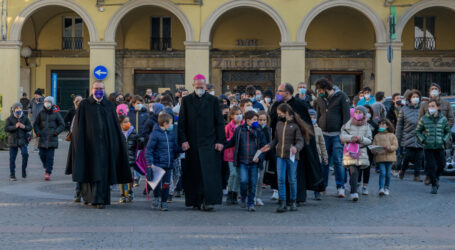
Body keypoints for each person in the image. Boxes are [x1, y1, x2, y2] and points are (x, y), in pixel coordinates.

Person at [65, 81, 132, 209]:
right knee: (88, 171)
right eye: (96, 88)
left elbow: (114, 126)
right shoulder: (84, 105)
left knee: (101, 173)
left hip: (105, 147)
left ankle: (100, 199)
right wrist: (79, 144)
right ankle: (88, 197)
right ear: (92, 89)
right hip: (88, 146)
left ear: (104, 90)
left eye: (101, 88)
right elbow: (78, 126)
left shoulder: (109, 105)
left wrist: (116, 143)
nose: (99, 90)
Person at [269, 83, 324, 204]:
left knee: (296, 173)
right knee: (282, 173)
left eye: (279, 91)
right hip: (281, 143)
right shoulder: (277, 105)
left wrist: (300, 144)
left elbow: (306, 126)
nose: (277, 93)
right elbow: (272, 121)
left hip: (296, 145)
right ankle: (283, 197)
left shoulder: (300, 105)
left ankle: (296, 197)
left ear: (287, 92)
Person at [178, 74, 226, 211]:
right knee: (194, 173)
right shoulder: (186, 100)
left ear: (205, 86)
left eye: (202, 87)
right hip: (191, 143)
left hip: (209, 142)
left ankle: (208, 201)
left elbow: (219, 123)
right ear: (193, 86)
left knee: (209, 174)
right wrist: (183, 140)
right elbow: (182, 122)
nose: (199, 89)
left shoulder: (213, 100)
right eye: (197, 87)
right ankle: (195, 200)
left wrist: (220, 141)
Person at [263, 103, 309, 212]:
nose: (279, 116)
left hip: (292, 156)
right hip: (280, 155)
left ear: (286, 113)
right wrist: (269, 145)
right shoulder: (279, 124)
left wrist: (296, 148)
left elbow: (300, 141)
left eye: (280, 113)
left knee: (292, 179)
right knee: (280, 179)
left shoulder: (296, 126)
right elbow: (276, 139)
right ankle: (282, 201)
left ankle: (293, 201)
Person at [314, 79, 351, 198]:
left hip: (337, 134)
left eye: (320, 90)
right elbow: (318, 115)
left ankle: (340, 187)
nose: (319, 92)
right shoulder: (320, 99)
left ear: (326, 88)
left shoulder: (341, 96)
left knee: (338, 161)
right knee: (324, 161)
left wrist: (343, 133)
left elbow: (346, 116)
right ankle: (322, 186)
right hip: (324, 134)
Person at [225, 111, 266, 211]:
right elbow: (231, 142)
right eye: (255, 120)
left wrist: (259, 158)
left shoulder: (259, 131)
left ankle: (250, 203)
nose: (257, 122)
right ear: (248, 121)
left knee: (253, 183)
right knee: (243, 181)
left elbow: (263, 147)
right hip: (243, 161)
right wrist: (221, 145)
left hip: (254, 162)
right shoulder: (239, 130)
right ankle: (243, 196)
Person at [146, 113, 181, 211]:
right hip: (157, 164)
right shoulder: (155, 134)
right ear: (165, 123)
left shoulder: (170, 134)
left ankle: (164, 202)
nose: (172, 125)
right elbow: (149, 150)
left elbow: (174, 148)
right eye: (170, 123)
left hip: (168, 165)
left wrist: (182, 148)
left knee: (166, 184)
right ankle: (156, 198)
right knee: (156, 184)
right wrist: (149, 163)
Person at [416, 99, 451, 194]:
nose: (431, 108)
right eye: (429, 106)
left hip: (440, 146)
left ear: (438, 107)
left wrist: (444, 139)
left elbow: (448, 131)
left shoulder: (443, 119)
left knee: (442, 164)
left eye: (433, 106)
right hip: (428, 146)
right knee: (431, 166)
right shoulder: (424, 119)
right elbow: (418, 131)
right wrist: (423, 139)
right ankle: (434, 185)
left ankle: (436, 178)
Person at [340, 106, 372, 202]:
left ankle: (354, 188)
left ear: (364, 114)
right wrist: (351, 138)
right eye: (356, 112)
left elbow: (370, 140)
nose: (358, 114)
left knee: (356, 172)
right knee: (353, 170)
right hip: (350, 151)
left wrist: (361, 139)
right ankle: (354, 192)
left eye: (360, 112)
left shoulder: (367, 126)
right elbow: (342, 136)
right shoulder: (348, 124)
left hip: (361, 151)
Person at [33, 96, 65, 181]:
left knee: (50, 157)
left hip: (52, 139)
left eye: (49, 102)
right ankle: (46, 166)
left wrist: (56, 132)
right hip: (42, 139)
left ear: (52, 103)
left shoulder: (56, 113)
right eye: (45, 101)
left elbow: (62, 124)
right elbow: (35, 124)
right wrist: (38, 132)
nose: (47, 103)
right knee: (42, 155)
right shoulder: (41, 113)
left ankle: (48, 172)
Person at [396, 90, 424, 182]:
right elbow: (399, 125)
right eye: (413, 97)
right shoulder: (404, 109)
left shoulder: (423, 108)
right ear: (409, 98)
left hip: (420, 136)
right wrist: (398, 137)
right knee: (408, 156)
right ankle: (402, 170)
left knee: (419, 156)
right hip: (408, 136)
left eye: (417, 96)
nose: (415, 98)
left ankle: (417, 175)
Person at [5, 103, 32, 180]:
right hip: (13, 141)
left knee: (25, 154)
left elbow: (30, 127)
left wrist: (24, 127)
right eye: (17, 108)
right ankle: (12, 175)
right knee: (12, 158)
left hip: (22, 140)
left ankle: (23, 170)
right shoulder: (10, 118)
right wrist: (15, 126)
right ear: (14, 110)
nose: (18, 110)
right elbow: (6, 128)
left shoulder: (25, 118)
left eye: (20, 108)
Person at [372, 119, 398, 196]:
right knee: (382, 173)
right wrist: (374, 150)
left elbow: (395, 146)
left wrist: (389, 147)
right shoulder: (376, 136)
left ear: (387, 126)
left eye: (383, 124)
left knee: (388, 174)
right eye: (380, 124)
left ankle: (386, 187)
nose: (382, 126)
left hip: (390, 157)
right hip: (380, 157)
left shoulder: (392, 135)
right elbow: (373, 147)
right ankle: (381, 188)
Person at [224, 106, 243, 205]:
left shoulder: (244, 126)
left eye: (240, 113)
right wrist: (232, 140)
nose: (239, 116)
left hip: (241, 154)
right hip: (230, 154)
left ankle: (235, 194)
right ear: (231, 116)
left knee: (238, 175)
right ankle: (229, 192)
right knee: (233, 173)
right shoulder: (228, 127)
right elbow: (224, 139)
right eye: (236, 114)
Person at [309, 109, 328, 200]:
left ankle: (317, 192)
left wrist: (325, 157)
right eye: (310, 117)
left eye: (314, 117)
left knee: (317, 174)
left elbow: (322, 144)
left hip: (317, 156)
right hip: (308, 155)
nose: (312, 119)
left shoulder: (318, 129)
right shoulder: (304, 128)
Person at [118, 115, 137, 203]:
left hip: (130, 159)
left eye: (128, 121)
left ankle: (129, 192)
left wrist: (141, 141)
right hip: (120, 159)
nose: (128, 123)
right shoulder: (117, 132)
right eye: (125, 122)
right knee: (121, 177)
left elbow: (138, 145)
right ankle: (122, 195)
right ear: (120, 124)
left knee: (129, 176)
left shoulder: (133, 132)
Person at [255, 110, 271, 206]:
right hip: (255, 156)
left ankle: (258, 197)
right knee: (254, 178)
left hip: (264, 156)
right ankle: (252, 196)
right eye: (260, 120)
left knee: (261, 178)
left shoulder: (268, 129)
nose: (262, 122)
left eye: (264, 120)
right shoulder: (255, 129)